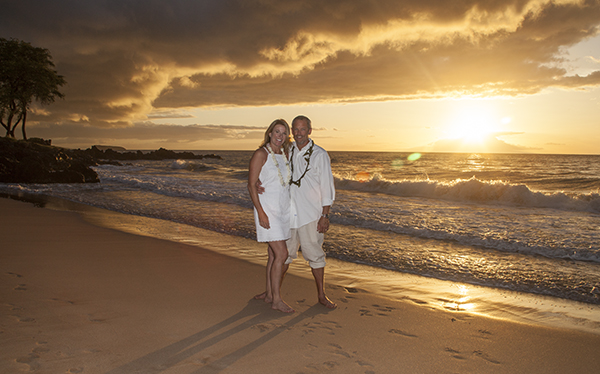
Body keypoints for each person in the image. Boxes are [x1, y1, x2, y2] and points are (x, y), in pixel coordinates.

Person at [256, 115, 337, 309]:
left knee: (314, 254)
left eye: (302, 129)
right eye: (295, 129)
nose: (298, 133)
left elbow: (327, 187)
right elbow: (271, 169)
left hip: (311, 215)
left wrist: (325, 215)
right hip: (288, 214)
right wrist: (259, 181)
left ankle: (321, 295)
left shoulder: (319, 155)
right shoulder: (287, 150)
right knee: (285, 255)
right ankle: (273, 294)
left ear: (309, 131)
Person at [247, 119, 294, 313]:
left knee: (273, 254)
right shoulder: (261, 154)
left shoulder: (284, 153)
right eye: (277, 132)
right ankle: (276, 299)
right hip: (267, 210)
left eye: (283, 133)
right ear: (269, 133)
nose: (280, 136)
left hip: (283, 209)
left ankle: (268, 294)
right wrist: (260, 212)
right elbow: (251, 184)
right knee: (282, 254)